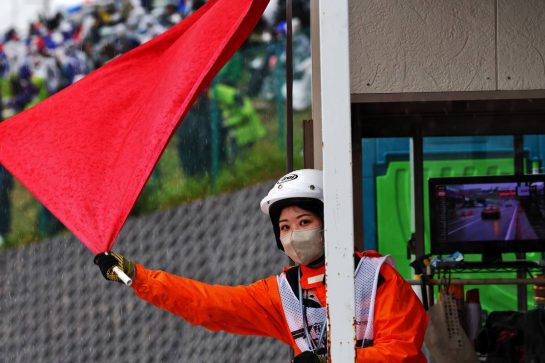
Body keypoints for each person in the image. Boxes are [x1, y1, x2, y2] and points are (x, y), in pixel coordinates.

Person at [94, 169, 429, 362]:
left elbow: (402, 350)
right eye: (285, 227)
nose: (294, 235)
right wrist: (138, 276)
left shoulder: (375, 277)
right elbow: (210, 305)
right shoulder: (284, 293)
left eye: (304, 221)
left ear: (331, 222)